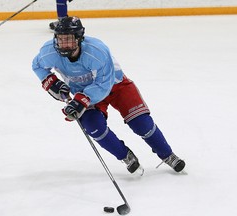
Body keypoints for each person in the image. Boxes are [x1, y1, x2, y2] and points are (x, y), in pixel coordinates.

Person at [32, 16, 186, 174]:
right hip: (84, 93)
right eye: (60, 39)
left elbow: (103, 85)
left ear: (79, 38)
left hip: (116, 86)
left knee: (141, 123)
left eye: (68, 39)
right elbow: (37, 65)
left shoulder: (97, 51)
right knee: (93, 127)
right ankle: (125, 155)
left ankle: (167, 154)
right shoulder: (49, 51)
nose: (63, 44)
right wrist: (51, 82)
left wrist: (81, 101)